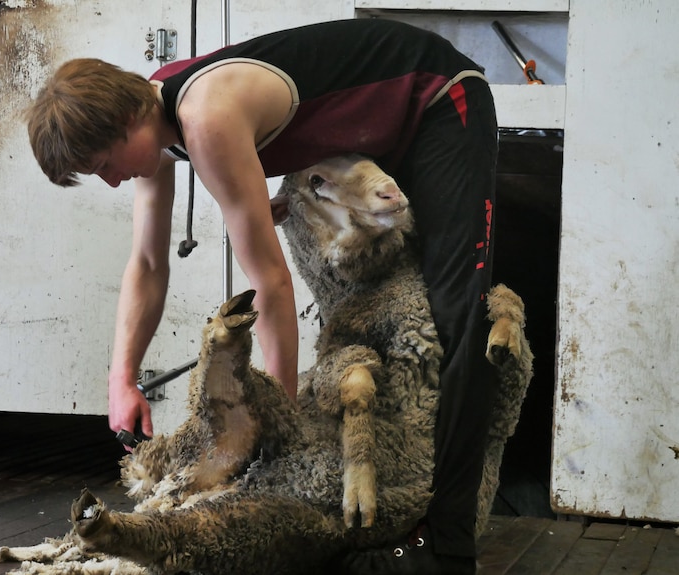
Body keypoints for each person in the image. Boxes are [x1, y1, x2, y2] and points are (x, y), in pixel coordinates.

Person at [26, 18, 498, 574]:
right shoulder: (156, 116)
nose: (110, 182)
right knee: (375, 317)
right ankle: (392, 508)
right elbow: (149, 262)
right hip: (377, 124)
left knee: (457, 309)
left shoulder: (205, 118)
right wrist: (121, 378)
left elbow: (270, 284)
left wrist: (279, 426)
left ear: (128, 118)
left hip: (440, 94)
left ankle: (446, 543)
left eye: (105, 166)